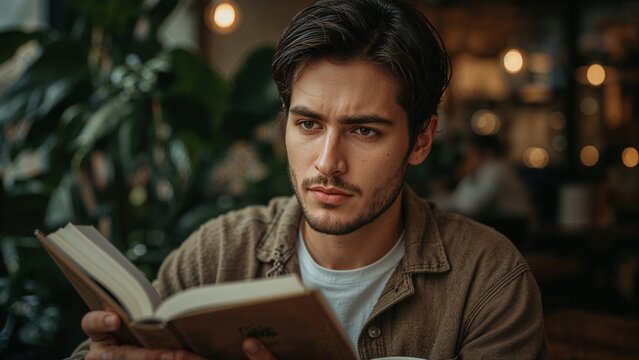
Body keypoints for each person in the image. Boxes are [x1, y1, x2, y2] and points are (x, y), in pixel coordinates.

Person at [70, 0, 547, 359]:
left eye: (363, 130)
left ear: (421, 140)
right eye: (309, 124)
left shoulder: (487, 281)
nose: (327, 163)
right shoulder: (218, 254)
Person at [435, 134, 536, 246]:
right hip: (505, 222)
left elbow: (474, 205)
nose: (468, 157)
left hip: (512, 224)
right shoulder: (486, 170)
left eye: (471, 153)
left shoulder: (496, 170)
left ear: (487, 153)